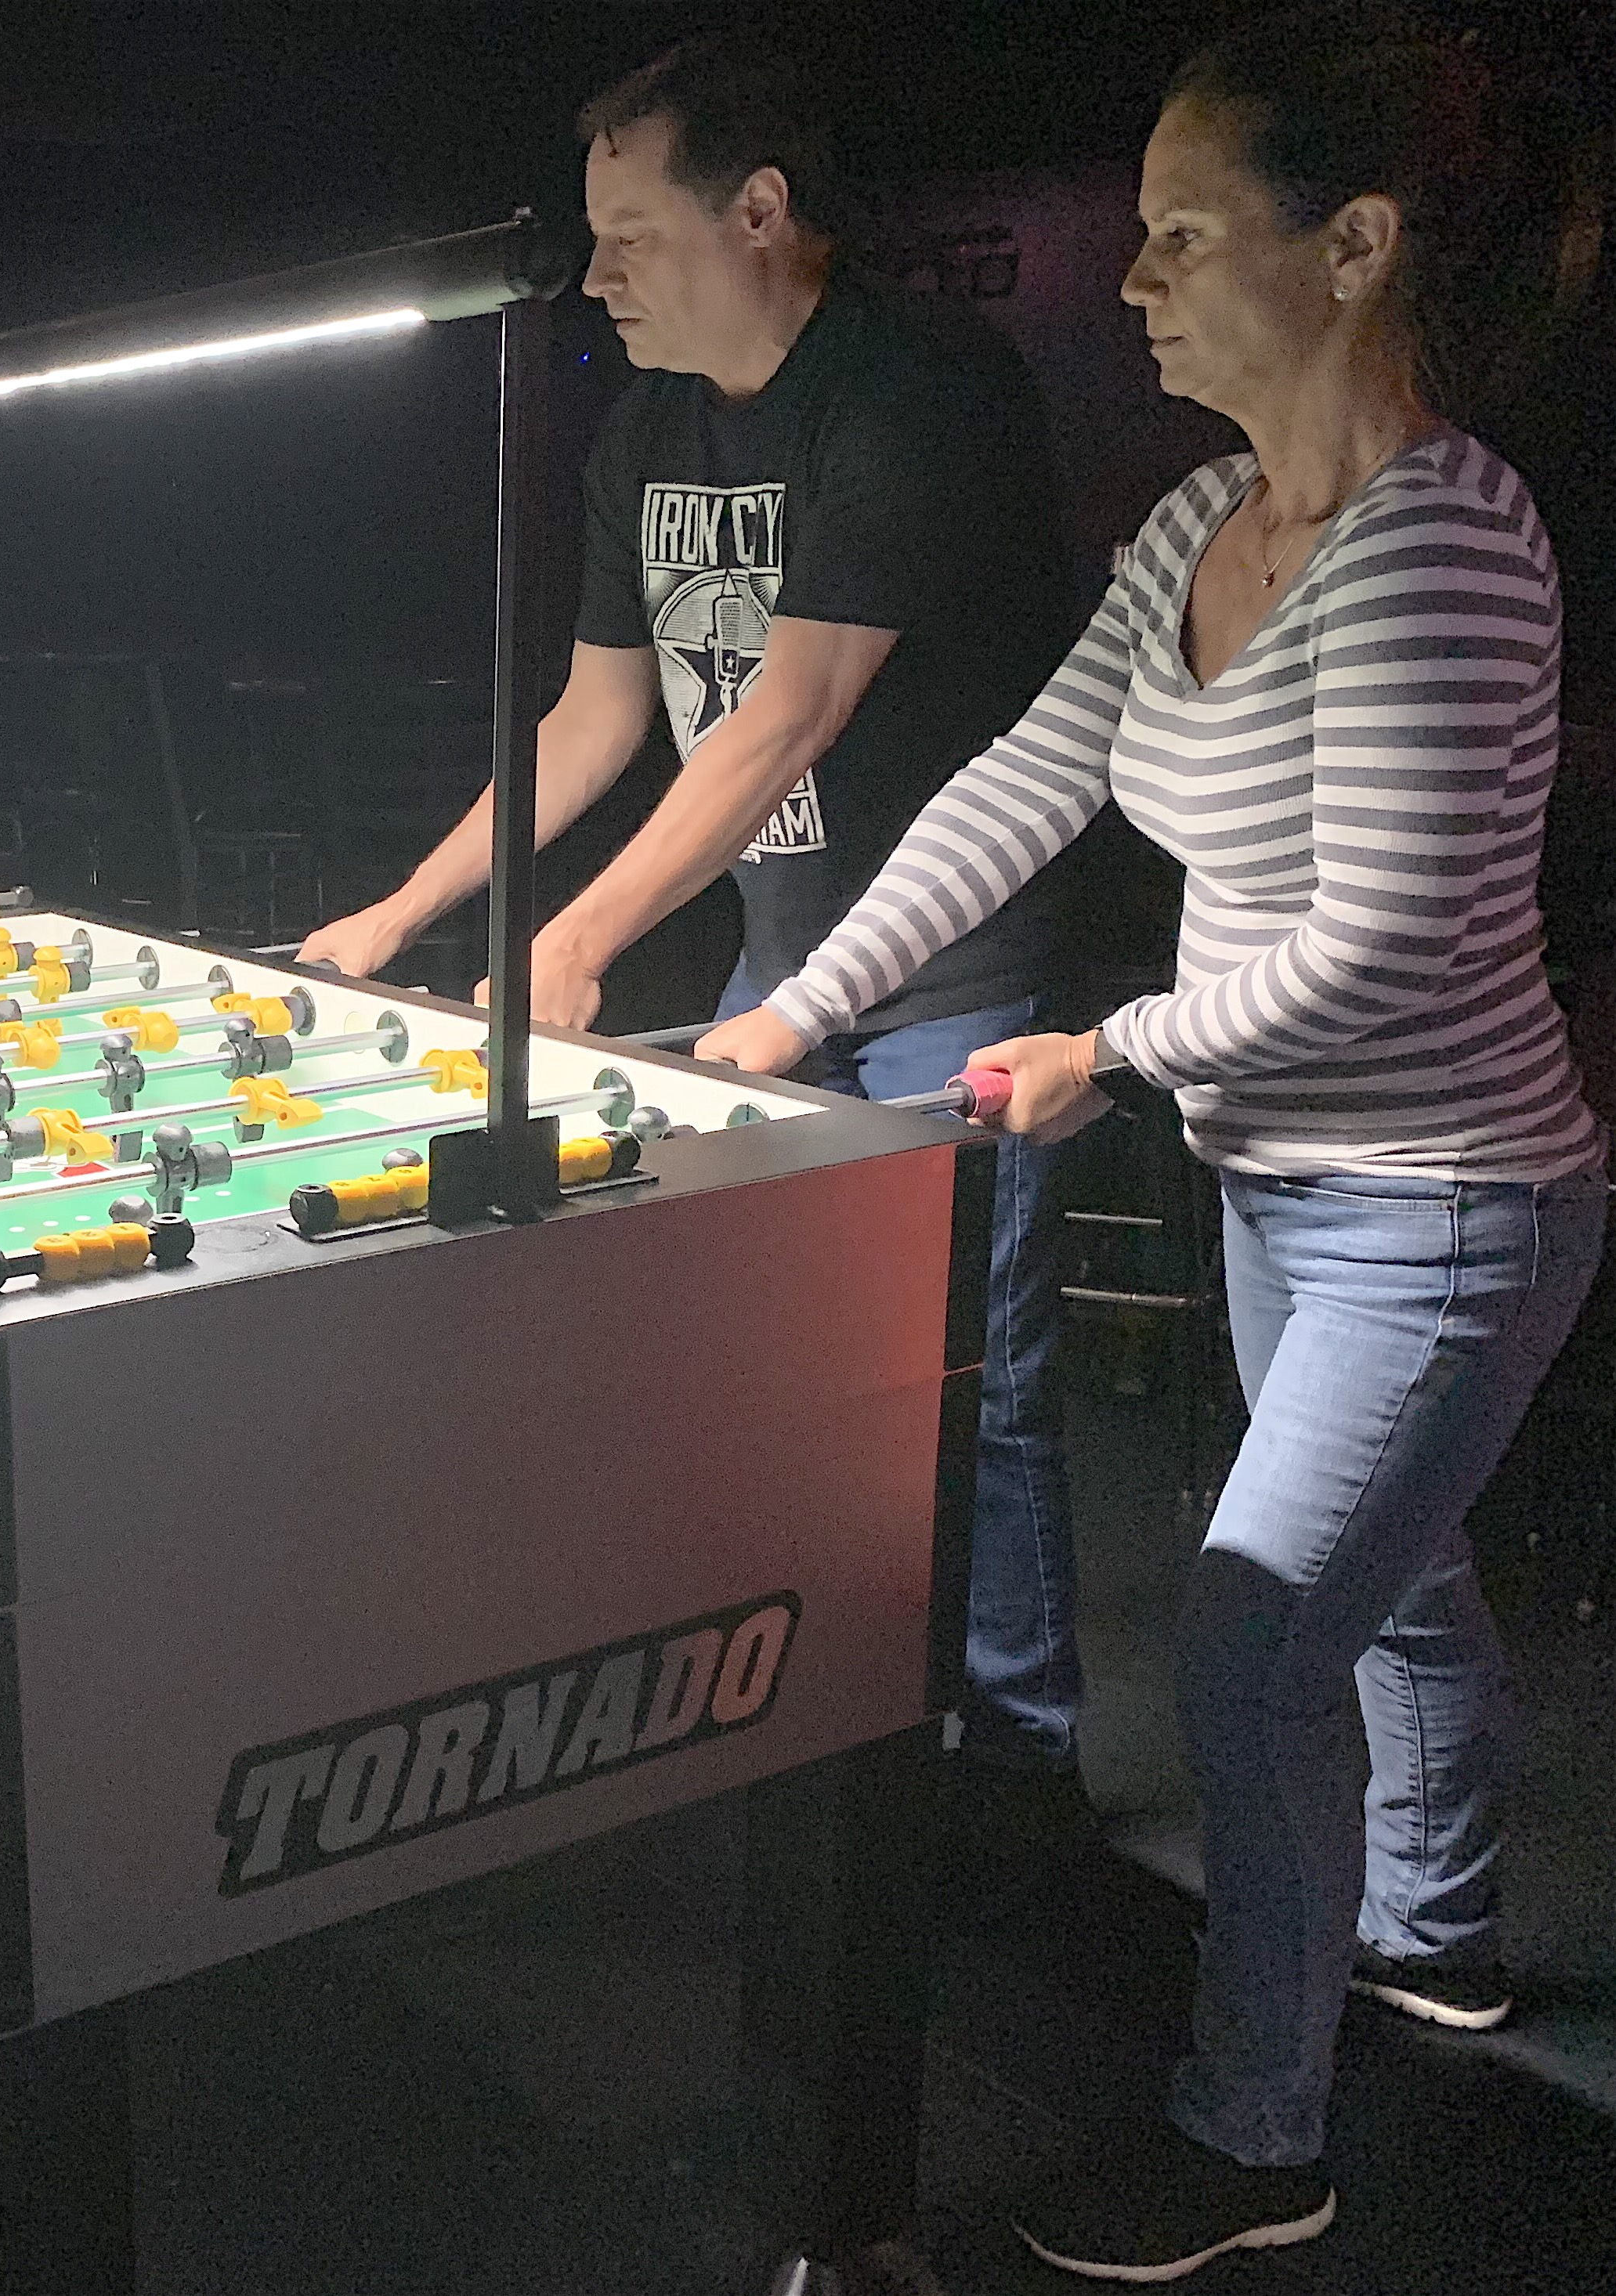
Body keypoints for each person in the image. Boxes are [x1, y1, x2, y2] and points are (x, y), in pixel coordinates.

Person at [696, 13, 1603, 2277]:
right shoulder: (1201, 518)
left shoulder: (1446, 548)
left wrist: (1104, 1040)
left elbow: (1387, 946)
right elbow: (1021, 781)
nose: (1132, 277)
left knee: (1247, 1635)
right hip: (1283, 1179)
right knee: (1383, 1579)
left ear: (1355, 248)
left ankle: (1252, 2136)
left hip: (1450, 1200)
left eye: (1184, 233)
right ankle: (1442, 1935)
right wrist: (804, 1004)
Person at [300, 37, 1090, 1811]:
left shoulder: (915, 384)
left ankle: (1015, 1761)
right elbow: (590, 719)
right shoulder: (644, 427)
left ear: (759, 212)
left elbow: (784, 708)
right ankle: (836, 1697)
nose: (593, 278)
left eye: (628, 236)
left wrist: (573, 940)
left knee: (976, 1364)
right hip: (774, 957)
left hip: (955, 963)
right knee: (780, 1356)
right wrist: (399, 911)